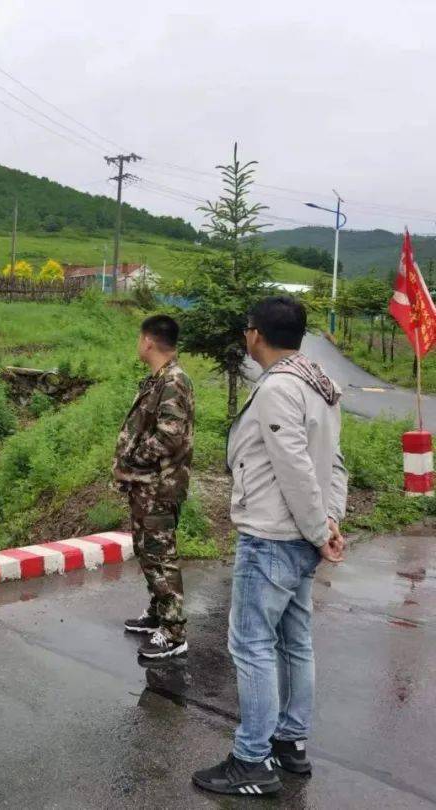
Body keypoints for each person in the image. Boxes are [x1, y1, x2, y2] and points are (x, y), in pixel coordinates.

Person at [193, 296, 348, 797]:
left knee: (252, 644)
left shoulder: (280, 388)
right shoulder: (318, 383)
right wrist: (330, 521)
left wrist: (321, 530)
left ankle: (251, 760)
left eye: (247, 329)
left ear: (254, 334)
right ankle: (290, 743)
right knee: (294, 641)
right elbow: (335, 464)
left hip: (275, 536)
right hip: (302, 533)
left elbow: (296, 468)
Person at [114, 314, 195, 660]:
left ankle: (174, 633)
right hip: (145, 485)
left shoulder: (174, 381)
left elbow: (169, 435)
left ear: (149, 341)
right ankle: (158, 612)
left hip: (159, 486)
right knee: (147, 551)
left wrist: (132, 459)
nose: (138, 344)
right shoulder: (158, 379)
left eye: (139, 338)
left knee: (161, 556)